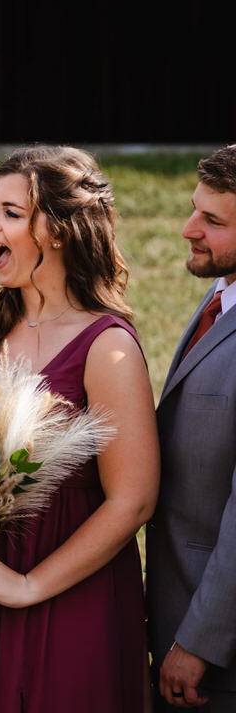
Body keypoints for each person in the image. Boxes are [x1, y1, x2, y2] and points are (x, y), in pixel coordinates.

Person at [0, 146, 159, 711]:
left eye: (12, 213)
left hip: (71, 600)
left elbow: (133, 501)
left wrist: (26, 586)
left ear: (62, 232)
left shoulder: (108, 347)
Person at [148, 144, 236, 711]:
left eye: (213, 220)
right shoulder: (221, 294)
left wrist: (201, 638)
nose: (188, 229)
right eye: (193, 209)